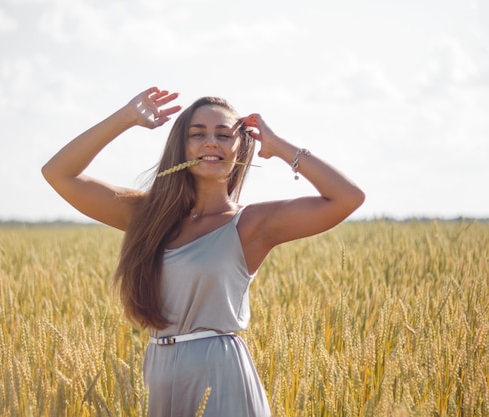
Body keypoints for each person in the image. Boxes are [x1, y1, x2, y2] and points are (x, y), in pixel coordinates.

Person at [42, 87, 365, 416]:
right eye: (198, 134)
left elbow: (347, 198)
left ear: (240, 147)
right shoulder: (146, 216)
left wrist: (279, 146)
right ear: (181, 147)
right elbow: (58, 173)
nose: (211, 142)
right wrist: (125, 118)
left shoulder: (251, 224)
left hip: (221, 375)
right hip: (158, 372)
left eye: (224, 135)